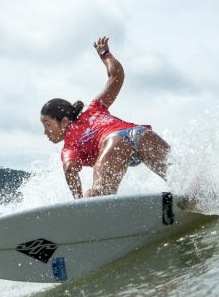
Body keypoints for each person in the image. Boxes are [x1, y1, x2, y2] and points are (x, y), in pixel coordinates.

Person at [40, 36, 171, 199]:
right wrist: (105, 54)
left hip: (114, 143)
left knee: (97, 196)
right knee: (183, 179)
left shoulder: (69, 145)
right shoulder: (95, 108)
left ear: (64, 121)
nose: (45, 132)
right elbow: (116, 77)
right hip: (140, 134)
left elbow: (70, 168)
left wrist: (78, 203)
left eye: (47, 124)